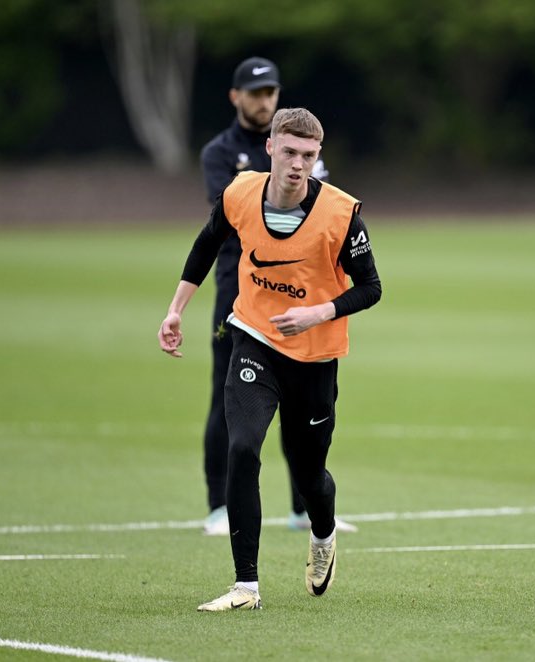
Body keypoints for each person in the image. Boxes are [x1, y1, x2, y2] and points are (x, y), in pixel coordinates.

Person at [159, 107, 382, 611]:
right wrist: (175, 310)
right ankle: (246, 587)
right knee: (243, 449)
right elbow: (206, 244)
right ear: (271, 150)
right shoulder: (240, 193)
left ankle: (323, 537)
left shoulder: (341, 215)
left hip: (316, 356)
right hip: (254, 339)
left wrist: (319, 312)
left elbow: (371, 288)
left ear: (317, 156)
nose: (298, 164)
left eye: (308, 155)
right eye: (289, 152)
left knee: (310, 477)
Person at [198, 56, 350, 536]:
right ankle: (218, 506)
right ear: (236, 97)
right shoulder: (220, 154)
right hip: (240, 287)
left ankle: (302, 508)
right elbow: (223, 221)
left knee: (297, 399)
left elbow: (317, 205)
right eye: (256, 93)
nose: (265, 101)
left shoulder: (299, 143)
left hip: (300, 288)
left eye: (271, 93)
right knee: (233, 394)